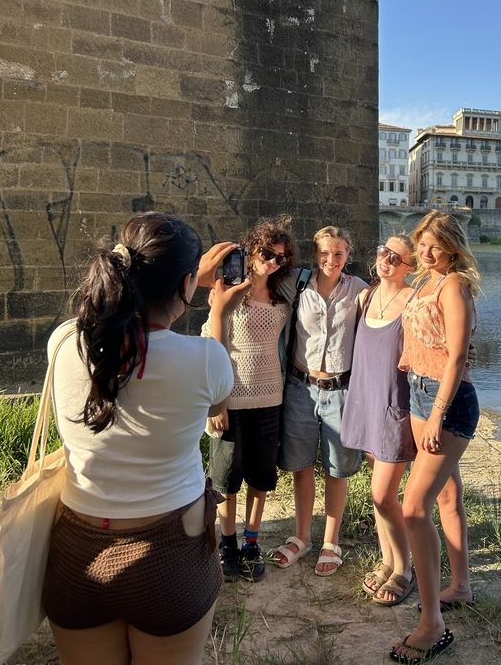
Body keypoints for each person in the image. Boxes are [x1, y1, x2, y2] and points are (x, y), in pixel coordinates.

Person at [42, 212, 247, 665]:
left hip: (78, 553)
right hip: (169, 554)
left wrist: (183, 280)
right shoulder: (206, 358)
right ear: (187, 283)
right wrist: (214, 309)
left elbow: (105, 329)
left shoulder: (62, 341)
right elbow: (217, 407)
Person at [389, 211, 480, 664]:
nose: (426, 252)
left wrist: (439, 413)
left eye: (435, 245)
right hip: (421, 394)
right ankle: (460, 585)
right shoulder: (424, 281)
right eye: (422, 243)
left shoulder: (453, 285)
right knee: (447, 494)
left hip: (449, 400)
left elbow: (458, 355)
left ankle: (432, 625)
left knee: (413, 507)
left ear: (453, 247)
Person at [203, 218, 295, 583]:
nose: (274, 263)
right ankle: (227, 544)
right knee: (227, 478)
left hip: (270, 395)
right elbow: (215, 346)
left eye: (281, 258)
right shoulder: (227, 293)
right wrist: (217, 402)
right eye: (268, 254)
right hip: (231, 397)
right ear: (251, 251)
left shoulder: (282, 295)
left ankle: (251, 541)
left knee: (261, 476)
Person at [273, 226, 367, 576]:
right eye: (325, 253)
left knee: (336, 468)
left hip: (341, 390)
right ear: (316, 254)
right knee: (300, 466)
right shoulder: (296, 283)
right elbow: (254, 279)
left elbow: (390, 311)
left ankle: (330, 540)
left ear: (348, 254)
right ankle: (301, 536)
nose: (331, 259)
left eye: (338, 253)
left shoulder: (359, 291)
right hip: (300, 387)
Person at [341, 234, 417, 606]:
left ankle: (404, 569)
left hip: (392, 407)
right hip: (365, 402)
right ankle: (388, 561)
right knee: (379, 495)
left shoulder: (414, 301)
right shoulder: (365, 296)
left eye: (395, 257)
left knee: (383, 494)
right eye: (382, 251)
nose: (385, 259)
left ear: (410, 267)